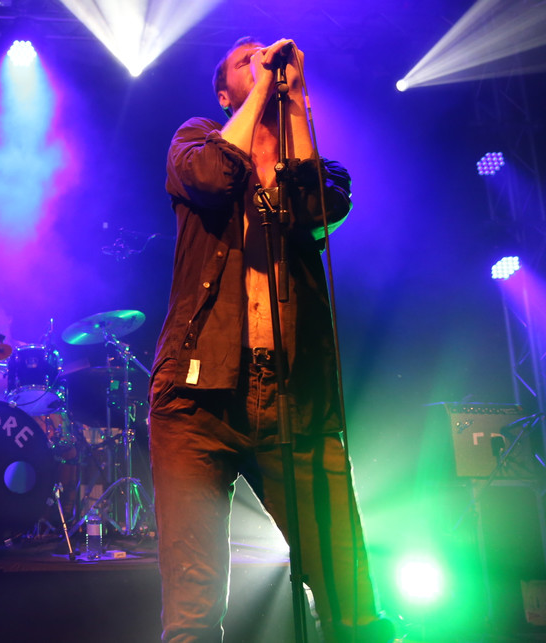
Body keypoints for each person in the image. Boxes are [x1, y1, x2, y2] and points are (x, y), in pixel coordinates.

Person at [147, 37, 395, 643]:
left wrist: (297, 98)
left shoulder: (308, 160)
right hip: (196, 399)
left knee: (348, 590)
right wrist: (264, 88)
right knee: (194, 603)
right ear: (224, 93)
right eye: (246, 60)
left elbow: (318, 207)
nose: (263, 62)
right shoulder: (195, 139)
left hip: (290, 395)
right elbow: (210, 178)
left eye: (268, 56)